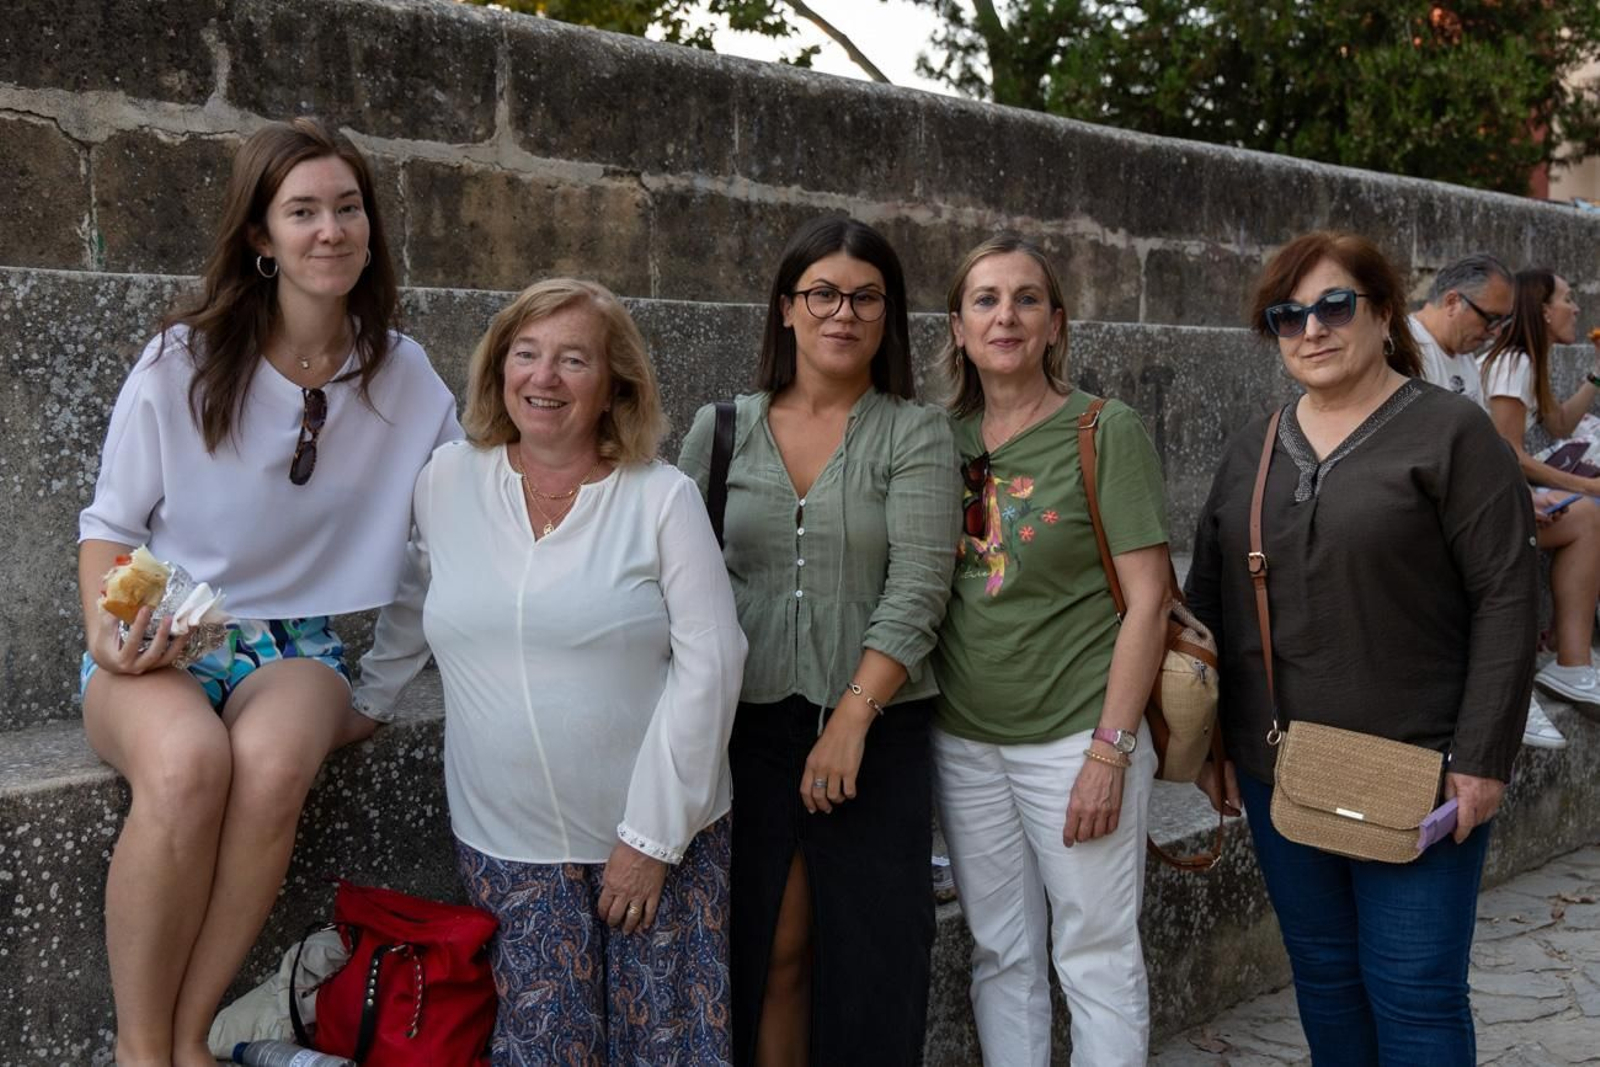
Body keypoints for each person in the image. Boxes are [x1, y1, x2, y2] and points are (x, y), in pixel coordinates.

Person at [76, 118, 460, 1067]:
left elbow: (448, 532)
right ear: (261, 236)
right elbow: (109, 527)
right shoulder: (183, 359)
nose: (330, 230)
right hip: (164, 632)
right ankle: (140, 1048)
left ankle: (190, 1032)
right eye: (301, 212)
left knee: (276, 768)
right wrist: (107, 632)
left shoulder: (402, 374)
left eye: (347, 208)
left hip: (297, 643)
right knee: (187, 766)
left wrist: (377, 686)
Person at [355, 278, 747, 1064]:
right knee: (542, 1050)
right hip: (508, 847)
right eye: (526, 355)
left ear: (614, 386)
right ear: (499, 370)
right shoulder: (446, 480)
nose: (545, 377)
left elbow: (714, 662)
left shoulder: (660, 498)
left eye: (574, 359)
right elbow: (415, 601)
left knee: (667, 1049)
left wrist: (652, 837)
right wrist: (364, 700)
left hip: (660, 841)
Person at [1186, 231, 1538, 1065]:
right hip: (1285, 768)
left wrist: (1483, 757)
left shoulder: (1453, 435)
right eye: (1288, 315)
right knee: (1327, 981)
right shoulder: (1254, 446)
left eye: (1334, 306)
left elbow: (1507, 597)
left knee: (1414, 995)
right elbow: (1210, 601)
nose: (1312, 328)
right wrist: (1210, 743)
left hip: (1419, 772)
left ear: (1383, 313)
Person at [677, 216, 961, 1067]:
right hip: (748, 730)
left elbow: (919, 586)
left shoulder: (915, 432)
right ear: (787, 309)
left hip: (878, 731)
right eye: (824, 294)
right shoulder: (720, 428)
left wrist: (851, 719)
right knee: (771, 950)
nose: (844, 313)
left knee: (874, 966)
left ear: (888, 316)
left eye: (866, 297)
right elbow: (679, 579)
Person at [928, 235, 1170, 1066]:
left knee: (1095, 955)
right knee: (1001, 953)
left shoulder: (1104, 429)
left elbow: (1149, 601)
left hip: (1076, 734)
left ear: (1056, 323)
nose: (1007, 315)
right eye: (986, 299)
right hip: (964, 737)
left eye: (1027, 298)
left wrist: (1111, 748)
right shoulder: (939, 440)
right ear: (958, 327)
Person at [1413, 254, 1588, 745]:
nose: (1495, 332)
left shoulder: (1464, 357)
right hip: (1421, 508)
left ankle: (1566, 667)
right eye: (1490, 318)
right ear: (1451, 301)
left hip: (1464, 501)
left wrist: (1512, 493)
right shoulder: (1406, 347)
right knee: (1513, 534)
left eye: (1504, 321)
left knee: (1573, 520)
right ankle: (1509, 693)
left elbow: (1488, 450)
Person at [1477, 269, 1600, 713]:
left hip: (1500, 492)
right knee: (1588, 514)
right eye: (1568, 298)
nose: (1576, 308)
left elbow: (1560, 424)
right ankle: (1570, 660)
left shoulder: (1530, 359)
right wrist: (1586, 485)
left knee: (1589, 510)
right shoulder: (1515, 362)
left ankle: (1572, 658)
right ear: (1544, 311)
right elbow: (1508, 453)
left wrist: (1597, 373)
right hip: (1484, 506)